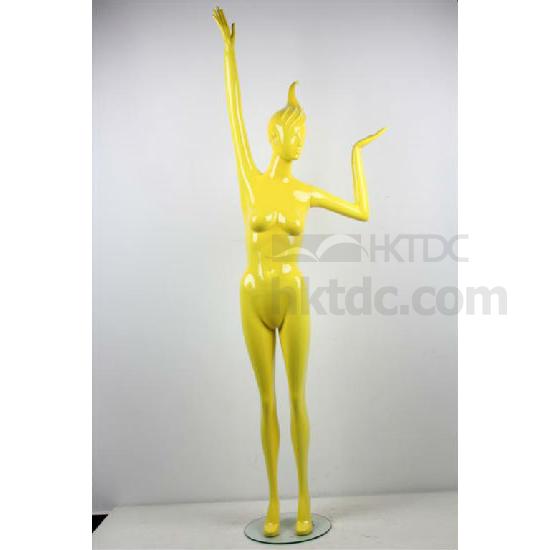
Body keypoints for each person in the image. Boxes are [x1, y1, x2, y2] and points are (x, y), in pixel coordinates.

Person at [213, 6, 385, 537]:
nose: (302, 140)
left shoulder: (305, 192)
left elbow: (362, 212)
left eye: (304, 132)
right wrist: (229, 52)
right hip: (251, 295)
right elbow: (233, 115)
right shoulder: (250, 179)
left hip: (292, 294)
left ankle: (305, 496)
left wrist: (356, 155)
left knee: (295, 397)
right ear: (276, 136)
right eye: (296, 132)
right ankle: (272, 501)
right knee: (265, 400)